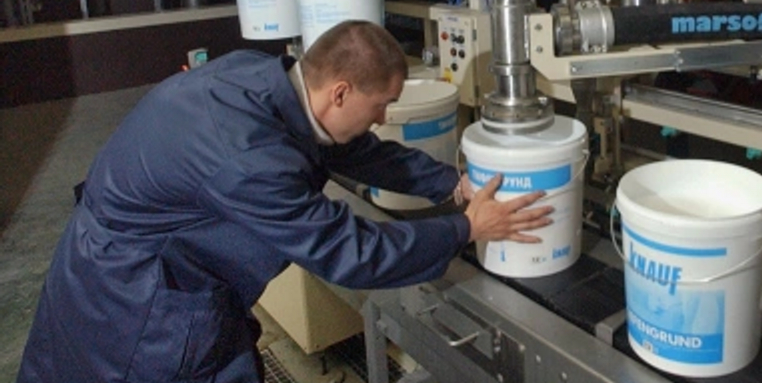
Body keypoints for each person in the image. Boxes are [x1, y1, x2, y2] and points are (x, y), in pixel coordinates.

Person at [18, 20, 553, 383]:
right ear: (340, 91)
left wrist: (449, 183)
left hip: (130, 260)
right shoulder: (247, 158)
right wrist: (466, 229)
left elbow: (348, 148)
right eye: (381, 105)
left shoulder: (264, 78)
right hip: (135, 307)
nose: (383, 119)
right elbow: (348, 252)